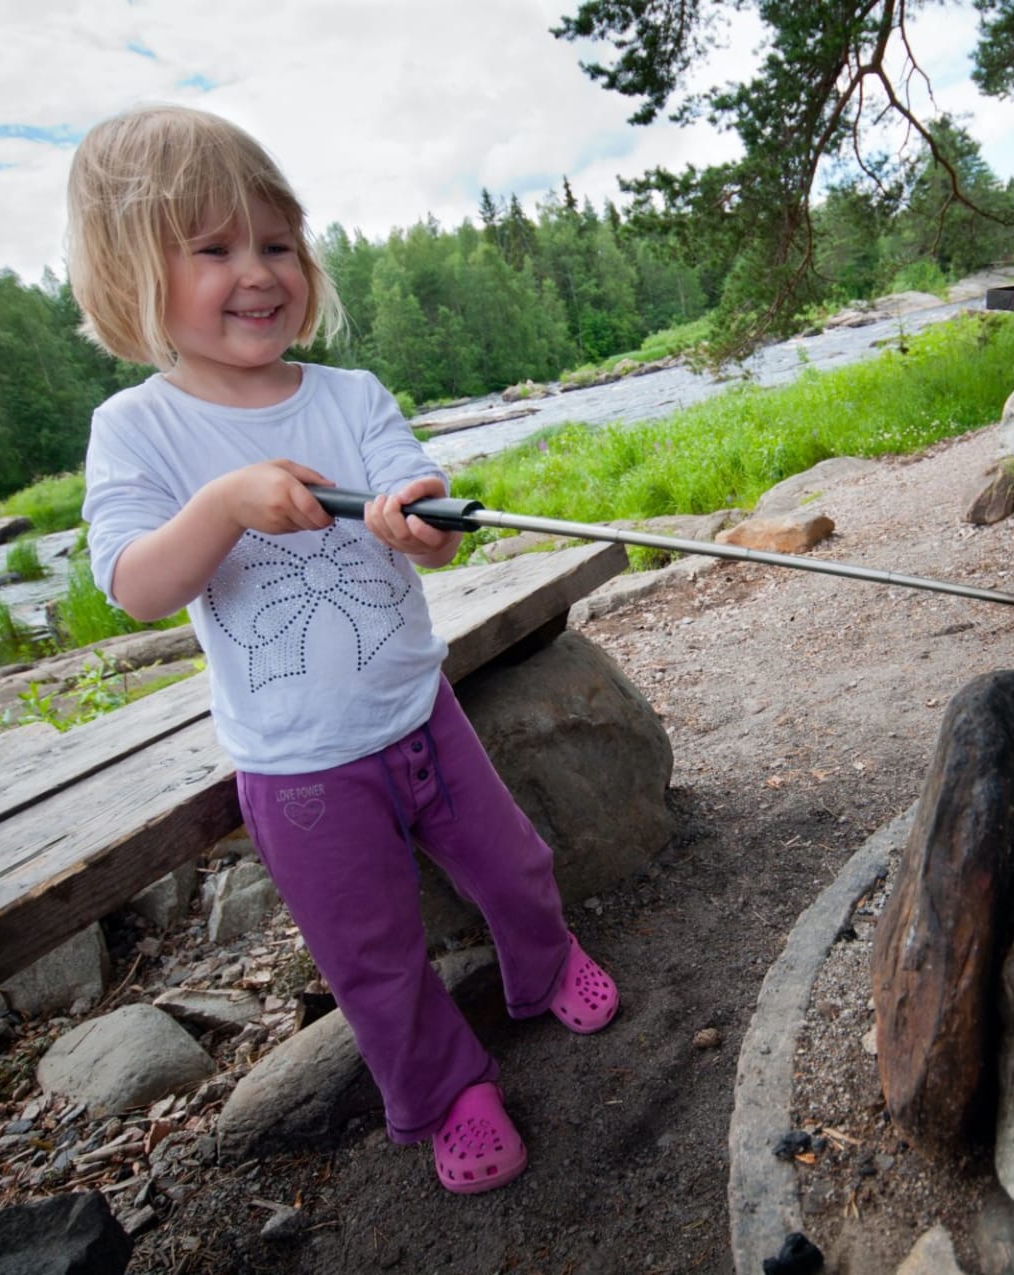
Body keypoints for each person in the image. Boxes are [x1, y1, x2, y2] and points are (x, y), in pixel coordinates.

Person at [67, 103, 617, 1195]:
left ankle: (544, 960)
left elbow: (427, 532)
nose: (259, 272)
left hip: (422, 714)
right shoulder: (141, 431)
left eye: (276, 243)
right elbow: (135, 585)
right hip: (298, 766)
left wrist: (424, 523)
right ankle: (446, 1089)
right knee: (371, 954)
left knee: (514, 865)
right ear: (133, 278)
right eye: (215, 249)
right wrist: (225, 501)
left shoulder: (352, 396)